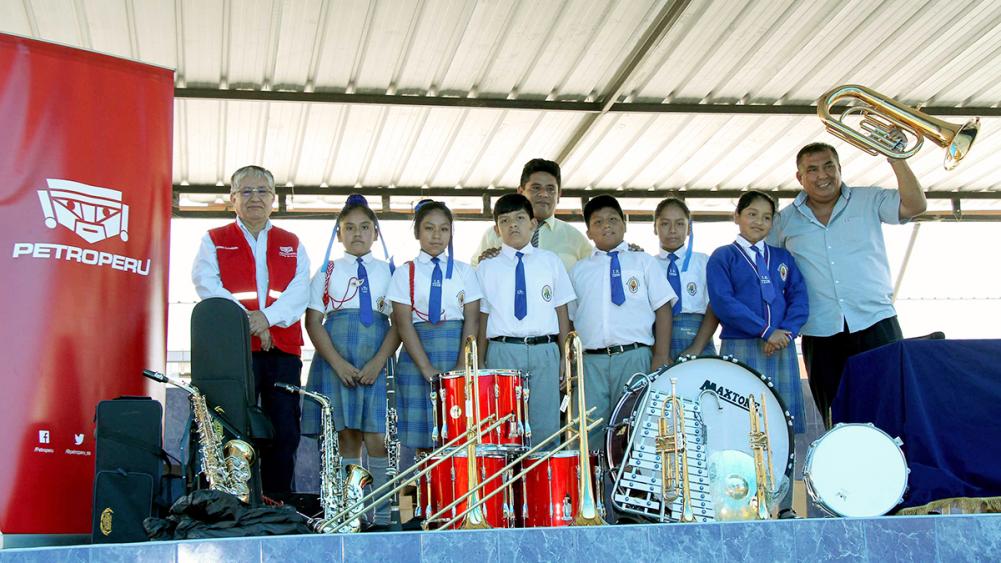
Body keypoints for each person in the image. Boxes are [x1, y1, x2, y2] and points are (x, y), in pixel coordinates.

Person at [769, 142, 926, 427]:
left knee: (893, 408)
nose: (822, 175)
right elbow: (765, 272)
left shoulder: (869, 199)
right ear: (799, 177)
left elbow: (916, 205)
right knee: (836, 417)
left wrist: (896, 159)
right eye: (812, 169)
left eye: (829, 166)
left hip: (876, 321)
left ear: (840, 168)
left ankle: (900, 471)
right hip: (820, 331)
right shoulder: (784, 221)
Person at [192, 165, 310, 496]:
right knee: (230, 427)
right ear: (232, 199)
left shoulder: (292, 243)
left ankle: (276, 503)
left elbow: (300, 292)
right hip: (233, 354)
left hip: (282, 351)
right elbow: (206, 282)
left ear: (274, 199)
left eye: (262, 191)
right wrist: (250, 322)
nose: (254, 197)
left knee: (284, 430)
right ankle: (231, 502)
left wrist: (268, 319)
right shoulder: (214, 239)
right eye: (246, 191)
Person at [707, 190, 809, 518]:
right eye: (752, 214)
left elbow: (799, 299)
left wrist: (785, 333)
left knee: (784, 425)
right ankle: (744, 503)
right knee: (741, 425)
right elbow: (724, 303)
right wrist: (764, 331)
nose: (759, 222)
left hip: (780, 348)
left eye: (767, 217)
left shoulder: (782, 258)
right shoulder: (723, 257)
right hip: (742, 346)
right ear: (736, 216)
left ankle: (785, 505)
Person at [302, 194, 400, 527]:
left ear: (375, 232)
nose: (357, 233)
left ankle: (384, 516)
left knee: (377, 437)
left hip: (376, 357)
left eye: (364, 227)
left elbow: (399, 322)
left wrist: (377, 362)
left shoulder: (391, 271)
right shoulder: (327, 272)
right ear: (338, 233)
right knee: (346, 435)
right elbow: (313, 321)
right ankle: (350, 513)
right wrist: (337, 363)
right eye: (349, 227)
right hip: (336, 360)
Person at [571, 195, 674, 444]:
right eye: (598, 222)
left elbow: (663, 309)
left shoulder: (644, 262)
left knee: (634, 429)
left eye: (613, 219)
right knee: (588, 432)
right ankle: (594, 484)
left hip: (634, 357)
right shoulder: (578, 270)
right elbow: (570, 319)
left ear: (625, 224)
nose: (607, 225)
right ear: (588, 232)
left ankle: (630, 484)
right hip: (591, 362)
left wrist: (660, 356)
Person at [476, 193, 575, 446]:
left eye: (520, 218)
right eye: (505, 220)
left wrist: (565, 357)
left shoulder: (550, 262)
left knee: (545, 431)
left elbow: (561, 311)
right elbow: (483, 317)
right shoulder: (486, 267)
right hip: (502, 351)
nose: (513, 225)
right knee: (503, 430)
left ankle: (541, 483)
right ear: (496, 229)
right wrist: (480, 361)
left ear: (533, 223)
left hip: (544, 351)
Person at [387, 200, 482, 450]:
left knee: (458, 434)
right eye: (429, 228)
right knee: (425, 439)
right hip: (417, 355)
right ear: (417, 232)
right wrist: (426, 368)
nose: (436, 235)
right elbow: (403, 323)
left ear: (451, 233)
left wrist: (463, 363)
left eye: (444, 229)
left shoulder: (465, 272)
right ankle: (426, 488)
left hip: (456, 351)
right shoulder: (404, 272)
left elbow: (472, 319)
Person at [472, 158, 592, 271]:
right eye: (536, 188)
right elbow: (474, 277)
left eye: (550, 189)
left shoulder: (575, 239)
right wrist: (484, 263)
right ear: (520, 192)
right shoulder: (493, 235)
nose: (544, 194)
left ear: (559, 195)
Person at [653, 197, 719, 359]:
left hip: (699, 339)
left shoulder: (704, 261)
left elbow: (715, 306)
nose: (673, 230)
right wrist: (659, 353)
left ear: (689, 228)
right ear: (655, 228)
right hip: (658, 343)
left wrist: (696, 348)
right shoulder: (648, 265)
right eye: (665, 223)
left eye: (680, 223)